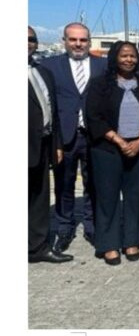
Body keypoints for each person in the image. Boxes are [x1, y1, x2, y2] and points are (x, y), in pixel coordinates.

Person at [85, 41, 139, 265]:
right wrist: (118, 140)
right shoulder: (100, 84)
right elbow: (94, 117)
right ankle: (109, 244)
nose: (129, 59)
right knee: (107, 197)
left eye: (132, 56)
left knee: (134, 196)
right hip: (107, 149)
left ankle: (131, 240)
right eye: (124, 55)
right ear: (115, 58)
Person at [41, 22, 107, 253]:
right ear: (64, 41)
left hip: (94, 136)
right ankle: (64, 227)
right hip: (64, 136)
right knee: (63, 184)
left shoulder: (103, 65)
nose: (78, 44)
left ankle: (92, 226)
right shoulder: (49, 65)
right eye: (73, 39)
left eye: (83, 40)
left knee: (94, 183)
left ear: (89, 41)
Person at [28, 26, 72, 263]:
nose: (27, 43)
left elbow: (52, 111)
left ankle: (38, 248)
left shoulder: (43, 72)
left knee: (39, 199)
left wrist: (57, 144)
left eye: (31, 39)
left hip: (43, 144)